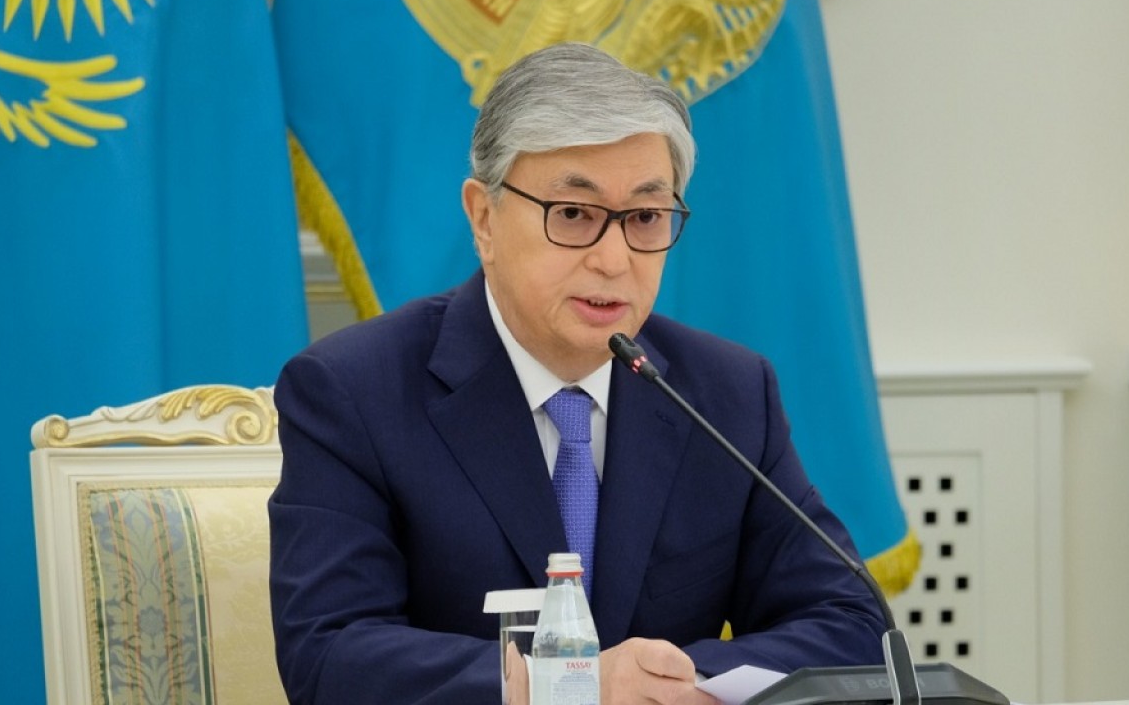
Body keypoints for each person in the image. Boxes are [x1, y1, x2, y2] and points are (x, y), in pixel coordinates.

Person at [268, 42, 886, 705]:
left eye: (645, 217)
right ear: (484, 218)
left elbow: (850, 622)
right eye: (573, 214)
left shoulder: (727, 393)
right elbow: (328, 653)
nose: (614, 259)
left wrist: (679, 682)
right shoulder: (352, 391)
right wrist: (567, 685)